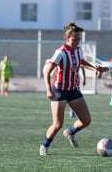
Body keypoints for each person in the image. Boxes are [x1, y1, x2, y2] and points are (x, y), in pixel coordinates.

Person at [40, 22, 97, 156]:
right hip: (59, 91)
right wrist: (48, 89)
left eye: (79, 39)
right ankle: (44, 145)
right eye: (74, 39)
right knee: (58, 124)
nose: (77, 42)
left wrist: (94, 68)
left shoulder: (78, 50)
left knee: (86, 120)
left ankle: (70, 132)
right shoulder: (60, 52)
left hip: (73, 90)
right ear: (67, 38)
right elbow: (47, 71)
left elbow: (81, 62)